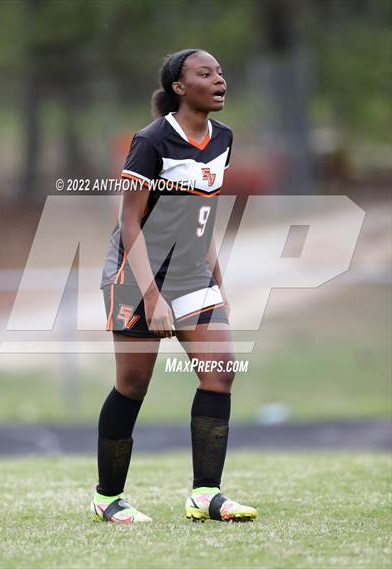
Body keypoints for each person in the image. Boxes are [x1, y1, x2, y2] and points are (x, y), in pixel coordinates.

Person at [91, 49, 257, 523]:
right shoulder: (152, 140)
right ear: (180, 88)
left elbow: (203, 213)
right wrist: (152, 297)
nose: (219, 80)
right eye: (205, 73)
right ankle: (107, 498)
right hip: (136, 274)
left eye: (220, 72)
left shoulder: (223, 138)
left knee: (219, 370)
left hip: (191, 273)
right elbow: (130, 221)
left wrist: (217, 278)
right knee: (132, 385)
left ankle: (206, 494)